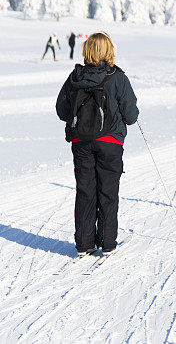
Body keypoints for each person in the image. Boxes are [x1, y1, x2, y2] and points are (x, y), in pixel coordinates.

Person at [56, 32, 139, 257]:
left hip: (81, 142)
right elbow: (131, 116)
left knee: (85, 190)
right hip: (110, 142)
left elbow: (61, 111)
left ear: (86, 51)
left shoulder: (75, 77)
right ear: (109, 50)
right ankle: (108, 242)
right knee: (108, 191)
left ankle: (84, 244)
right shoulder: (117, 77)